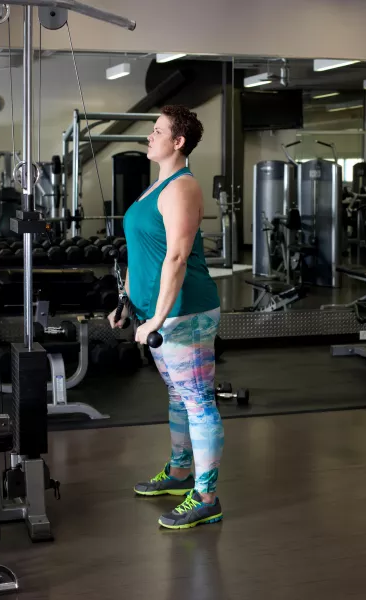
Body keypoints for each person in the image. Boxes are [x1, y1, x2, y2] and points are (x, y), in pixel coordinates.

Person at [108, 104, 224, 530]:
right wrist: (130, 304)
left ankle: (207, 496)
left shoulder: (182, 188)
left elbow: (176, 257)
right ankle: (178, 475)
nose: (150, 137)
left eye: (158, 131)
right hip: (159, 313)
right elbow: (147, 254)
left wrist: (156, 318)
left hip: (185, 312)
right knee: (179, 397)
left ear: (178, 142)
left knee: (197, 401)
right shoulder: (155, 187)